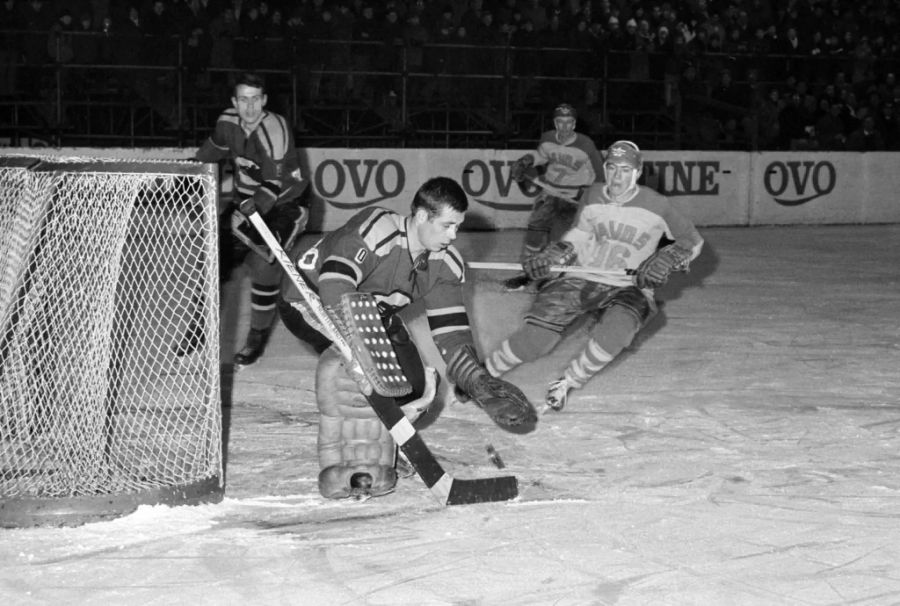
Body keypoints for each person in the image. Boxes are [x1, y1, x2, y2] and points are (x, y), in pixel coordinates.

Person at [277, 177, 537, 499]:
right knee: (369, 377)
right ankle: (357, 458)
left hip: (371, 311)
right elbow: (334, 284)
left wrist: (476, 380)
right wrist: (364, 351)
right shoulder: (378, 229)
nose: (453, 235)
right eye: (447, 225)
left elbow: (451, 332)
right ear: (422, 216)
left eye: (458, 226)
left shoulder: (445, 263)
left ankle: (389, 438)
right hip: (309, 300)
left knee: (414, 387)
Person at [484, 141, 704, 411]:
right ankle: (482, 376)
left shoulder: (657, 205)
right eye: (612, 168)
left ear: (638, 171)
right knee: (535, 343)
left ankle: (568, 381)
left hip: (628, 285)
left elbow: (693, 240)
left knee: (617, 331)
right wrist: (556, 254)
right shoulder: (593, 195)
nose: (617, 177)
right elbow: (578, 233)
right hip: (581, 278)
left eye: (625, 169)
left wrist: (670, 257)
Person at [176, 72, 308, 367]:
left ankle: (257, 337)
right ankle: (200, 327)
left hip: (285, 204)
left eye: (256, 100)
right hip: (244, 200)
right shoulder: (227, 122)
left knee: (264, 265)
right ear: (234, 102)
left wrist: (245, 213)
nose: (250, 108)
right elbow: (210, 155)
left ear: (265, 101)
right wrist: (189, 174)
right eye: (243, 100)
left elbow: (273, 186)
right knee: (212, 261)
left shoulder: (274, 129)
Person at [505, 103, 604, 291]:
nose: (564, 127)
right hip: (550, 194)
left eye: (569, 123)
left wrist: (589, 194)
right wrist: (526, 160)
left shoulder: (586, 145)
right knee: (534, 232)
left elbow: (600, 174)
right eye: (560, 122)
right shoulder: (547, 139)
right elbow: (541, 156)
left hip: (575, 199)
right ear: (555, 123)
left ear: (574, 124)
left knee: (563, 242)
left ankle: (555, 276)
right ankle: (525, 273)